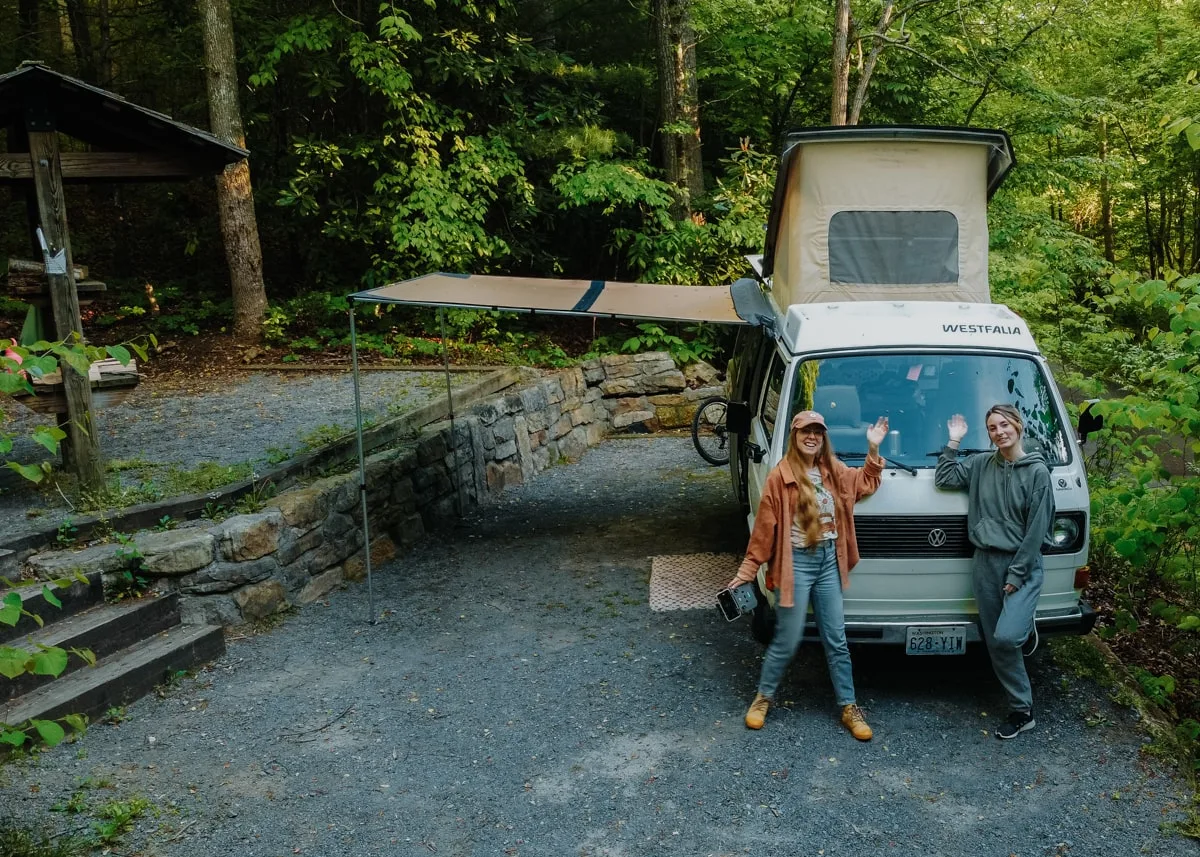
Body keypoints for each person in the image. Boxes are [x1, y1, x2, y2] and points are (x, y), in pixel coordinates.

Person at [727, 409, 889, 738]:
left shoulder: (834, 471)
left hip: (829, 562)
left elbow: (866, 483)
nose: (812, 436)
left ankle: (849, 706)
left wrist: (873, 448)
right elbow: (763, 531)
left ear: (823, 437)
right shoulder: (780, 476)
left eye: (817, 431)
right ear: (795, 437)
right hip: (795, 564)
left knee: (836, 639)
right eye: (805, 432)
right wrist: (747, 570)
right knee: (787, 639)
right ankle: (763, 698)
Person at [933, 404, 1054, 740]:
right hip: (985, 562)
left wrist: (1016, 575)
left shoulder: (1037, 473)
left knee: (1007, 636)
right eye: (991, 427)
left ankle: (1022, 624)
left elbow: (1036, 531)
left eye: (1004, 425)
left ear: (1018, 425)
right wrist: (954, 441)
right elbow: (944, 478)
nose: (999, 432)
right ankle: (1022, 710)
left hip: (1021, 564)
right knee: (996, 642)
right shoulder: (981, 464)